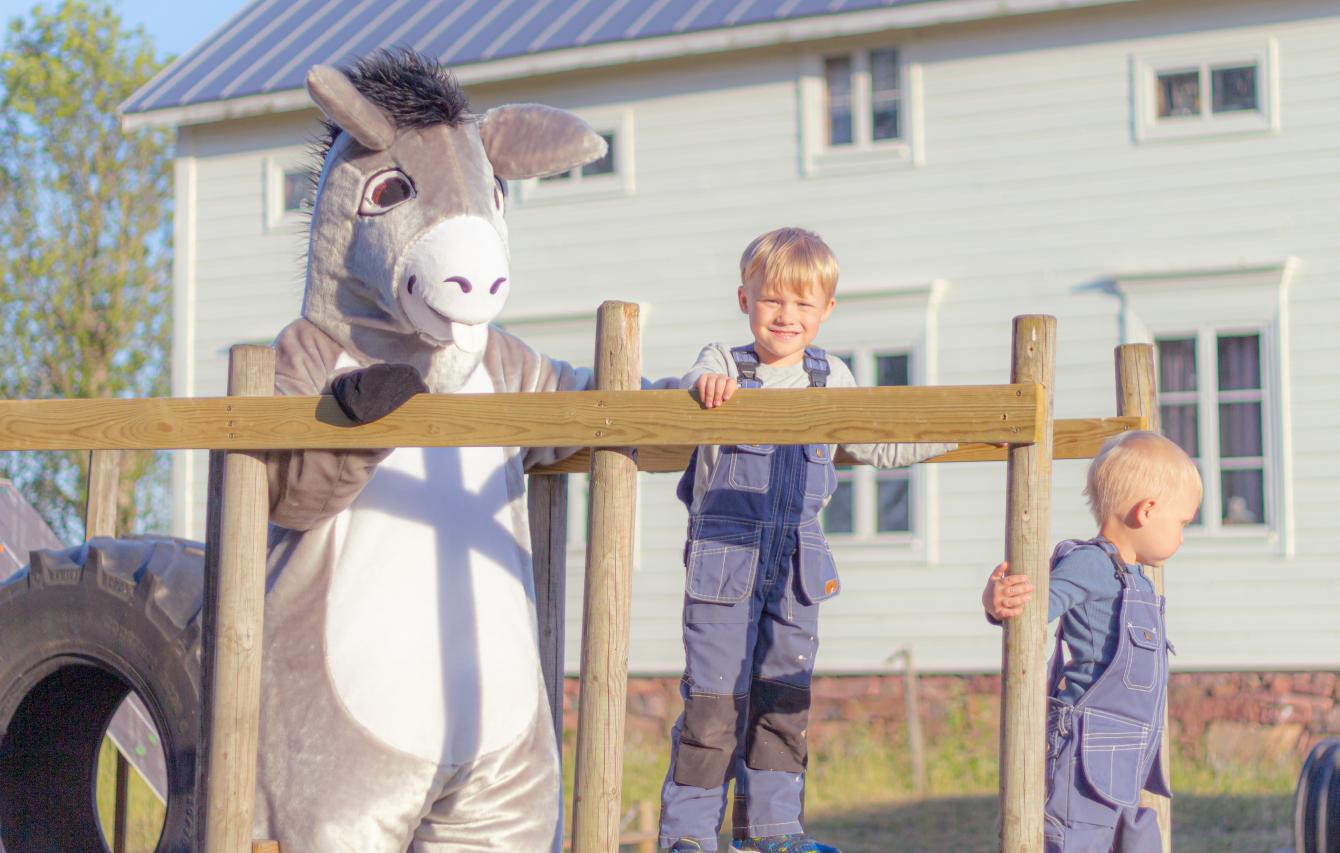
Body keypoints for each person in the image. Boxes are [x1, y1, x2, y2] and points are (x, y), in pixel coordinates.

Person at [658, 227, 955, 853]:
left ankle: (775, 832)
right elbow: (685, 393)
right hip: (724, 566)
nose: (786, 317)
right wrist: (705, 393)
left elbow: (879, 442)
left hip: (796, 569)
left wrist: (960, 430)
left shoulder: (833, 378)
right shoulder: (723, 365)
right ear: (745, 300)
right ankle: (689, 836)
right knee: (713, 707)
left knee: (784, 702)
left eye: (802, 305)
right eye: (772, 301)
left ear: (826, 312)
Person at [982, 430, 1202, 852]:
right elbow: (1030, 609)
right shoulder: (1091, 563)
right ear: (1147, 511)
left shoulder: (1136, 578)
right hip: (1082, 766)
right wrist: (997, 602)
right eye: (1182, 523)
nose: (1182, 536)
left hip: (1125, 765)